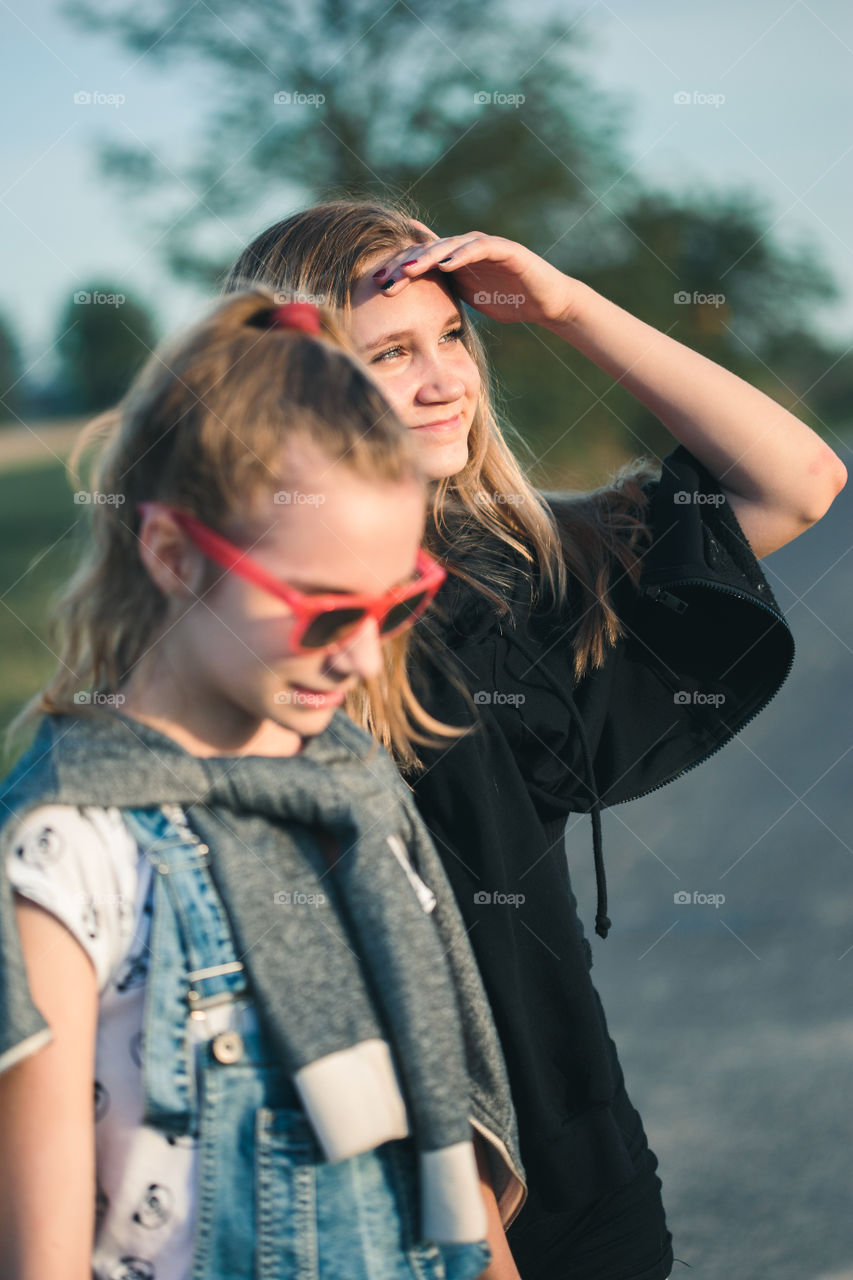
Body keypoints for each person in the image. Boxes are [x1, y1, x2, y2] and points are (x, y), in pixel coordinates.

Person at [224, 201, 847, 1280]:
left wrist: (563, 306)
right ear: (300, 388)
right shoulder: (254, 630)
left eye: (452, 340)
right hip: (368, 1166)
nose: (444, 381)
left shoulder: (525, 562)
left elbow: (798, 480)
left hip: (572, 1135)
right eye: (390, 355)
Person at [0, 292, 528, 1280]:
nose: (365, 658)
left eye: (394, 600)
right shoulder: (66, 848)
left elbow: (446, 1159)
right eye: (324, 611)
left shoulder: (356, 783)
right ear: (168, 552)